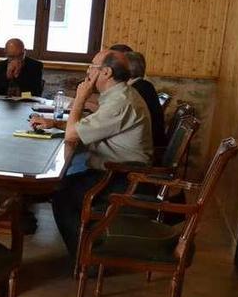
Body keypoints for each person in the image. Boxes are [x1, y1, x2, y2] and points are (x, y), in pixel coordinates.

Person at [30, 49, 153, 263]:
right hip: (115, 169)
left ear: (105, 73)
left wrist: (80, 98)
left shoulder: (120, 102)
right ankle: (87, 250)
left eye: (92, 67)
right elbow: (91, 126)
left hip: (125, 177)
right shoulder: (118, 95)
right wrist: (56, 123)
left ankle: (86, 259)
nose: (88, 71)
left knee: (63, 195)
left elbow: (72, 134)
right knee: (64, 183)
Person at [126, 51, 168, 151]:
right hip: (147, 140)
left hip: (147, 146)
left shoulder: (138, 89)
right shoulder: (144, 85)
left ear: (127, 70)